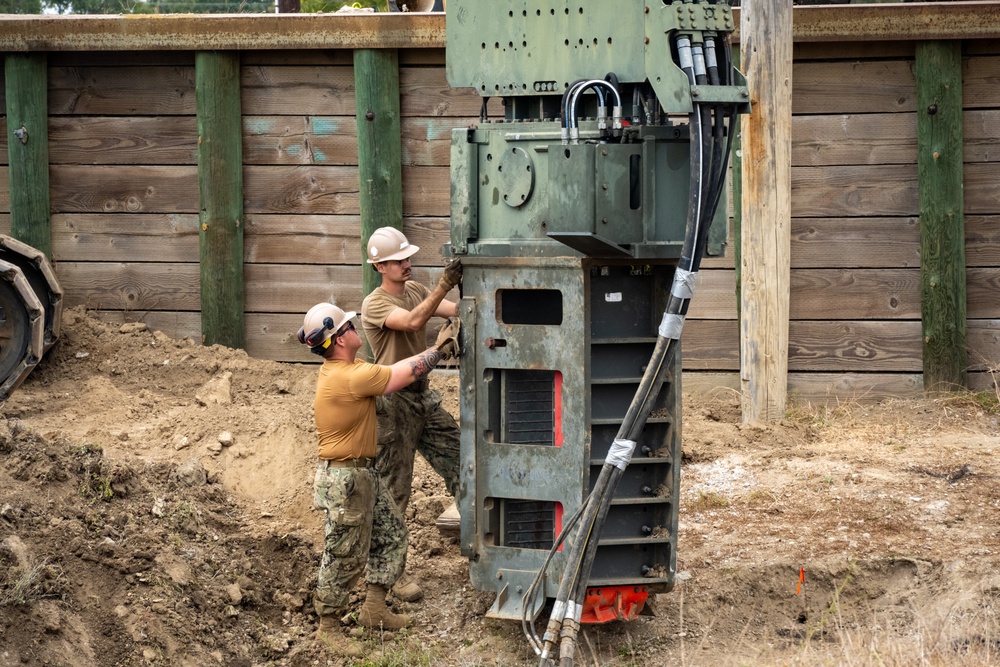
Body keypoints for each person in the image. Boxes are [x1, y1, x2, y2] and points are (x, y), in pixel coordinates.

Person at [300, 301, 458, 657]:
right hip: (346, 481)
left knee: (391, 535)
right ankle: (328, 627)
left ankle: (374, 608)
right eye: (349, 327)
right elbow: (402, 375)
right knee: (344, 554)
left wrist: (431, 351)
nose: (355, 330)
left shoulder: (352, 368)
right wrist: (438, 349)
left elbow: (397, 366)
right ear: (340, 339)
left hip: (363, 474)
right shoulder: (348, 376)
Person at [361, 226, 463, 603]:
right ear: (380, 267)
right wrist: (444, 285)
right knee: (393, 492)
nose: (406, 264)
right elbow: (414, 322)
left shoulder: (417, 291)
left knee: (462, 460)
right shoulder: (375, 304)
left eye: (407, 258)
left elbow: (454, 309)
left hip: (422, 397)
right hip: (393, 405)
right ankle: (389, 576)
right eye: (398, 260)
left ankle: (478, 539)